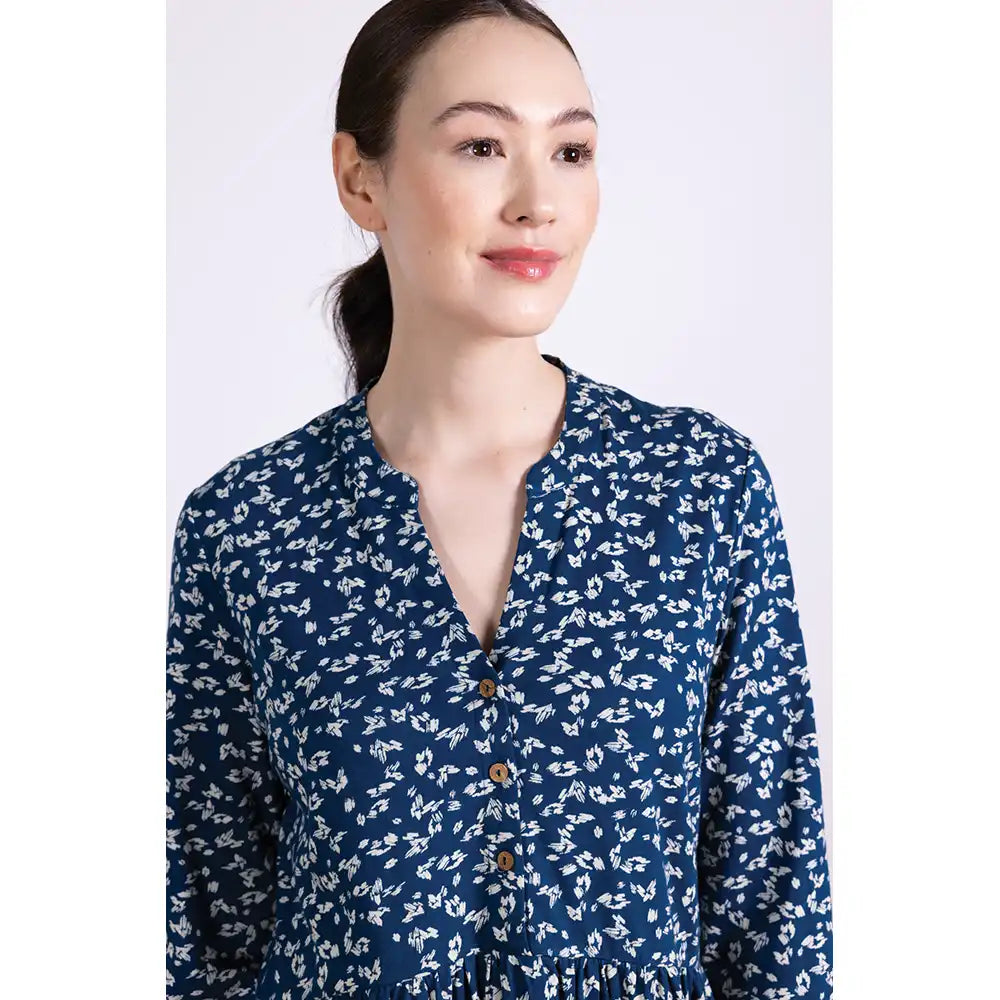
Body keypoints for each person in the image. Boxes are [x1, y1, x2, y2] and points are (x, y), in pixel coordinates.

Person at [165, 2, 834, 998]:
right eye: (482, 145)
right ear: (361, 177)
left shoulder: (699, 492)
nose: (537, 201)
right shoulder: (249, 525)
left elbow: (772, 918)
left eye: (571, 152)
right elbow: (207, 936)